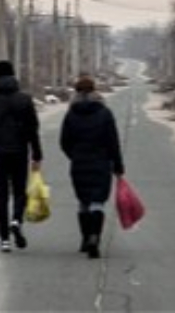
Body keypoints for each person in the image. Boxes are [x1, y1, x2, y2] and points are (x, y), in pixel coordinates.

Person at [0, 59, 43, 252]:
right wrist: (37, 155)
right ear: (14, 75)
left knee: (1, 195)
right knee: (20, 191)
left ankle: (4, 238)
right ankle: (16, 220)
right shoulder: (25, 99)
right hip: (20, 152)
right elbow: (33, 129)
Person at [59, 74, 125, 259]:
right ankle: (95, 236)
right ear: (95, 91)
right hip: (101, 163)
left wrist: (75, 155)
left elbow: (64, 141)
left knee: (83, 202)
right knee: (97, 202)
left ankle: (85, 238)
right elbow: (113, 142)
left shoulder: (71, 114)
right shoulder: (105, 113)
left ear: (76, 92)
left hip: (79, 163)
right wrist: (117, 166)